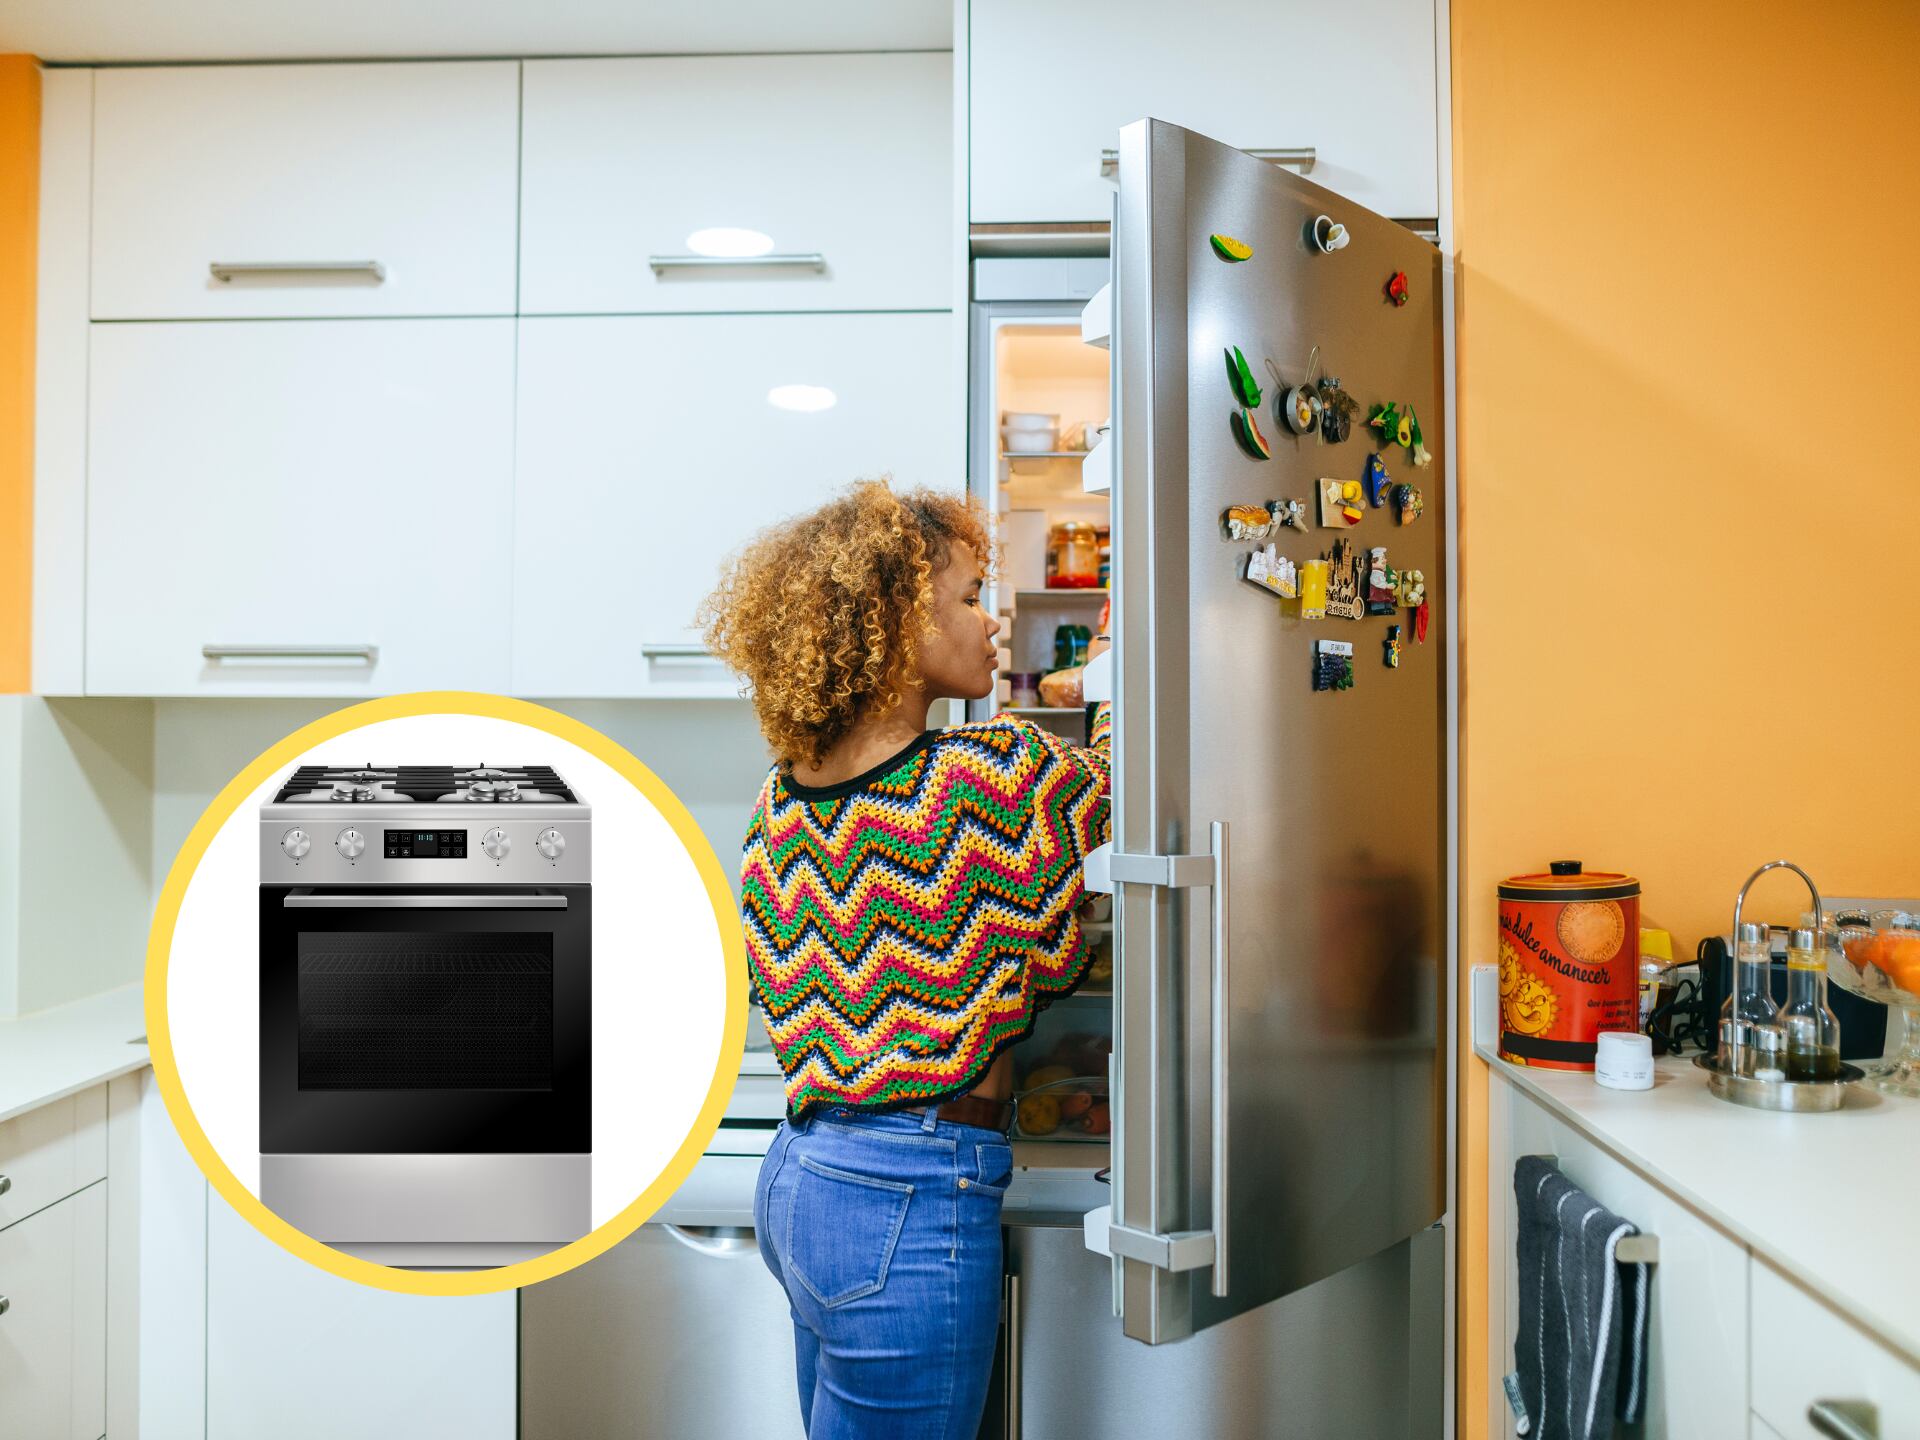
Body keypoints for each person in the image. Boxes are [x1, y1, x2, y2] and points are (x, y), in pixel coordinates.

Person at [699, 479, 1111, 1440]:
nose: (993, 622)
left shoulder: (780, 799)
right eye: (970, 598)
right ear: (893, 625)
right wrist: (1110, 661)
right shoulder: (980, 780)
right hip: (912, 1194)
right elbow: (1119, 779)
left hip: (804, 1176)